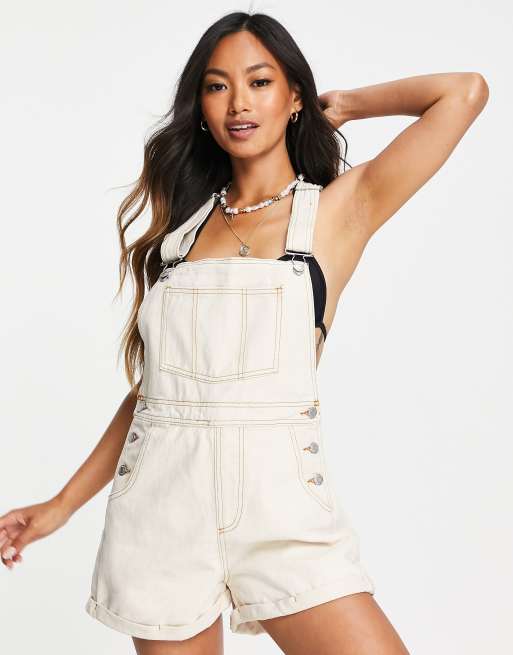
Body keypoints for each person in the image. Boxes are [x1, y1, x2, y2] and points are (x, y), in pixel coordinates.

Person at [0, 11, 488, 655]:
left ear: (293, 96)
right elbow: (155, 396)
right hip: (161, 513)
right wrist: (62, 505)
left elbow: (464, 92)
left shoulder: (341, 209)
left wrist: (346, 106)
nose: (238, 104)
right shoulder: (178, 238)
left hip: (282, 514)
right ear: (200, 107)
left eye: (260, 82)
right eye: (217, 86)